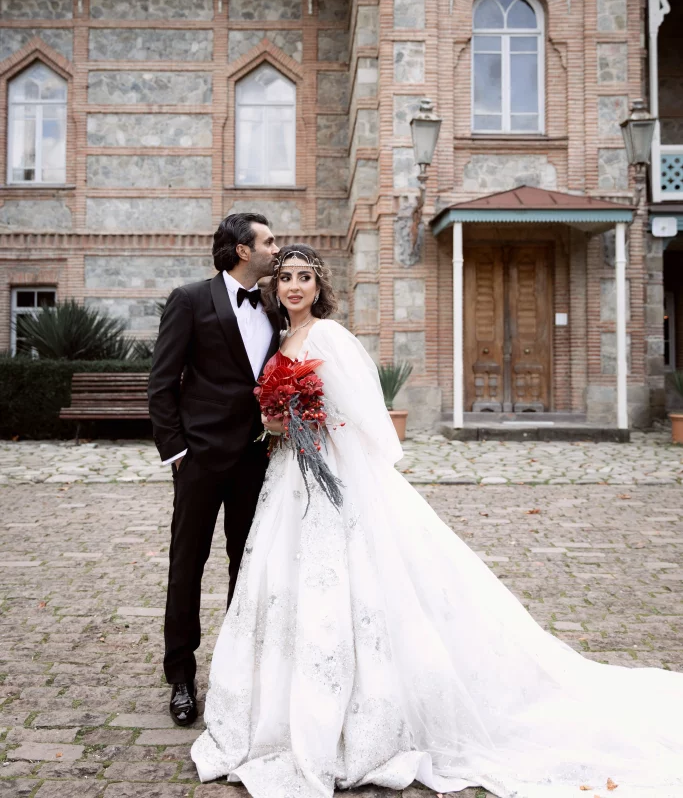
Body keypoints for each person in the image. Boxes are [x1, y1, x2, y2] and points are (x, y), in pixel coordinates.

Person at [191, 244, 683, 798]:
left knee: (347, 586)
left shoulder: (330, 336)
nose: (295, 287)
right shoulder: (282, 340)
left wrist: (312, 425)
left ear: (318, 287)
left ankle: (362, 713)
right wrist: (278, 423)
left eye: (305, 278)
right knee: (290, 588)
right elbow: (277, 414)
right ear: (275, 287)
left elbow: (365, 416)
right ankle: (284, 706)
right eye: (286, 279)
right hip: (289, 480)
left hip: (331, 476)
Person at [148, 212, 280, 727]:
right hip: (200, 460)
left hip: (255, 459)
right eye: (269, 241)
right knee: (187, 567)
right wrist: (177, 453)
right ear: (244, 251)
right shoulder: (190, 299)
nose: (277, 249)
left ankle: (235, 672)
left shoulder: (274, 305)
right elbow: (162, 382)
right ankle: (181, 676)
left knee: (245, 569)